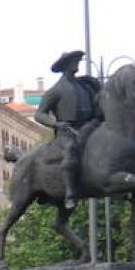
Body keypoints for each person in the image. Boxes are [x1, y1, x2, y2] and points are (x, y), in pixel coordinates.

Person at [34, 49, 104, 210]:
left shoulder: (84, 86)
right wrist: (56, 124)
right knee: (71, 151)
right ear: (66, 65)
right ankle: (70, 193)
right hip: (68, 131)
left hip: (89, 127)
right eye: (74, 61)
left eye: (78, 61)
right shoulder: (56, 90)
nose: (77, 64)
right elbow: (39, 114)